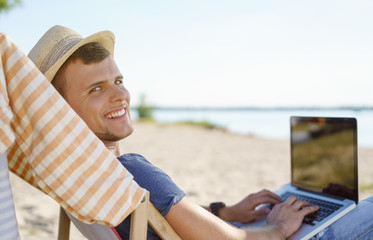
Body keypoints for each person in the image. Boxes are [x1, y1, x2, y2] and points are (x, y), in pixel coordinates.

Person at [28, 25, 373, 240]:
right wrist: (281, 227)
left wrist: (226, 213)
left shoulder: (77, 174)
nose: (121, 95)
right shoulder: (132, 174)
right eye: (96, 89)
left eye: (118, 81)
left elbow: (158, 220)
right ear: (60, 112)